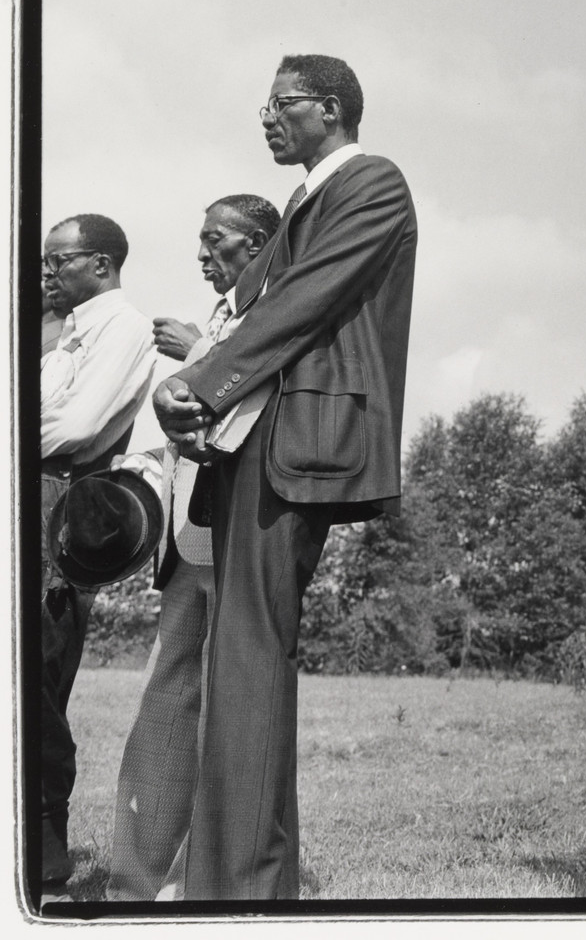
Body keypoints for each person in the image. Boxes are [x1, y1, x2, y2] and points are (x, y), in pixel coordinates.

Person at [153, 55, 418, 900]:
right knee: (241, 657)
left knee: (249, 657)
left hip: (295, 440)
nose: (266, 117)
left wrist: (197, 383)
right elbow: (257, 307)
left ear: (330, 109)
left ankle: (241, 889)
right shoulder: (306, 199)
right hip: (254, 443)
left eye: (282, 103)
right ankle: (240, 881)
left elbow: (304, 299)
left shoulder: (371, 181)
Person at [108, 194, 282, 901]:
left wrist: (199, 355)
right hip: (189, 540)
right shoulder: (217, 315)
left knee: (226, 712)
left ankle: (202, 884)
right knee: (165, 708)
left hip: (248, 538)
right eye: (201, 241)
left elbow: (268, 403)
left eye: (218, 240)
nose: (204, 254)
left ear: (262, 242)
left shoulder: (287, 306)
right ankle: (135, 882)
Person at [39, 215, 157, 886]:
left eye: (62, 260)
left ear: (103, 263)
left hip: (60, 514)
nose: (49, 271)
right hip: (33, 493)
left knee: (40, 683)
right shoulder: (68, 331)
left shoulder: (123, 326)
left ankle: (46, 853)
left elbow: (80, 427)